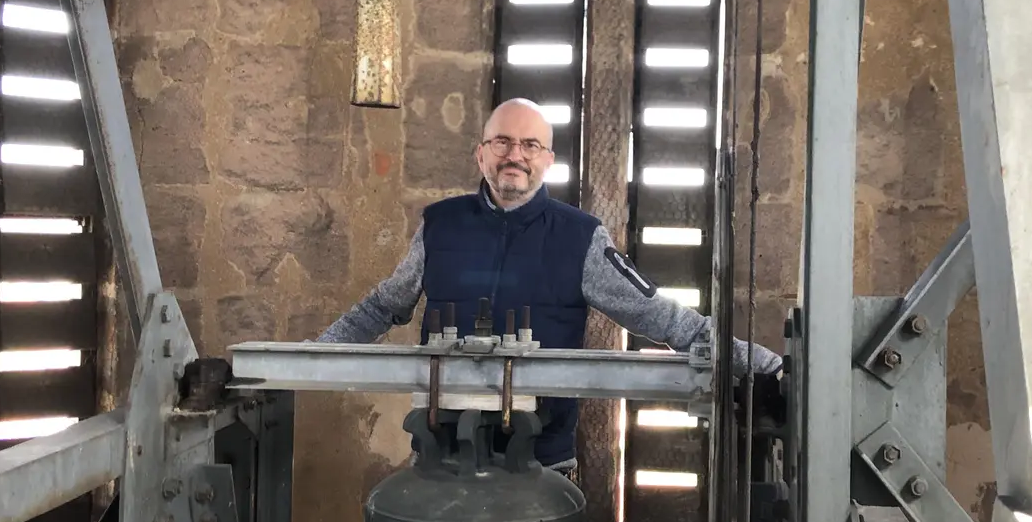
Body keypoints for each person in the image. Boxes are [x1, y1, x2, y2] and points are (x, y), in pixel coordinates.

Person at [318, 98, 783, 476]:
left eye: (529, 144)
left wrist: (763, 364)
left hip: (541, 464)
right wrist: (314, 354)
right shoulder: (441, 225)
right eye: (501, 142)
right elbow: (384, 305)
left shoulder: (579, 237)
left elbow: (664, 319)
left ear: (548, 160)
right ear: (480, 153)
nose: (514, 155)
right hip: (441, 460)